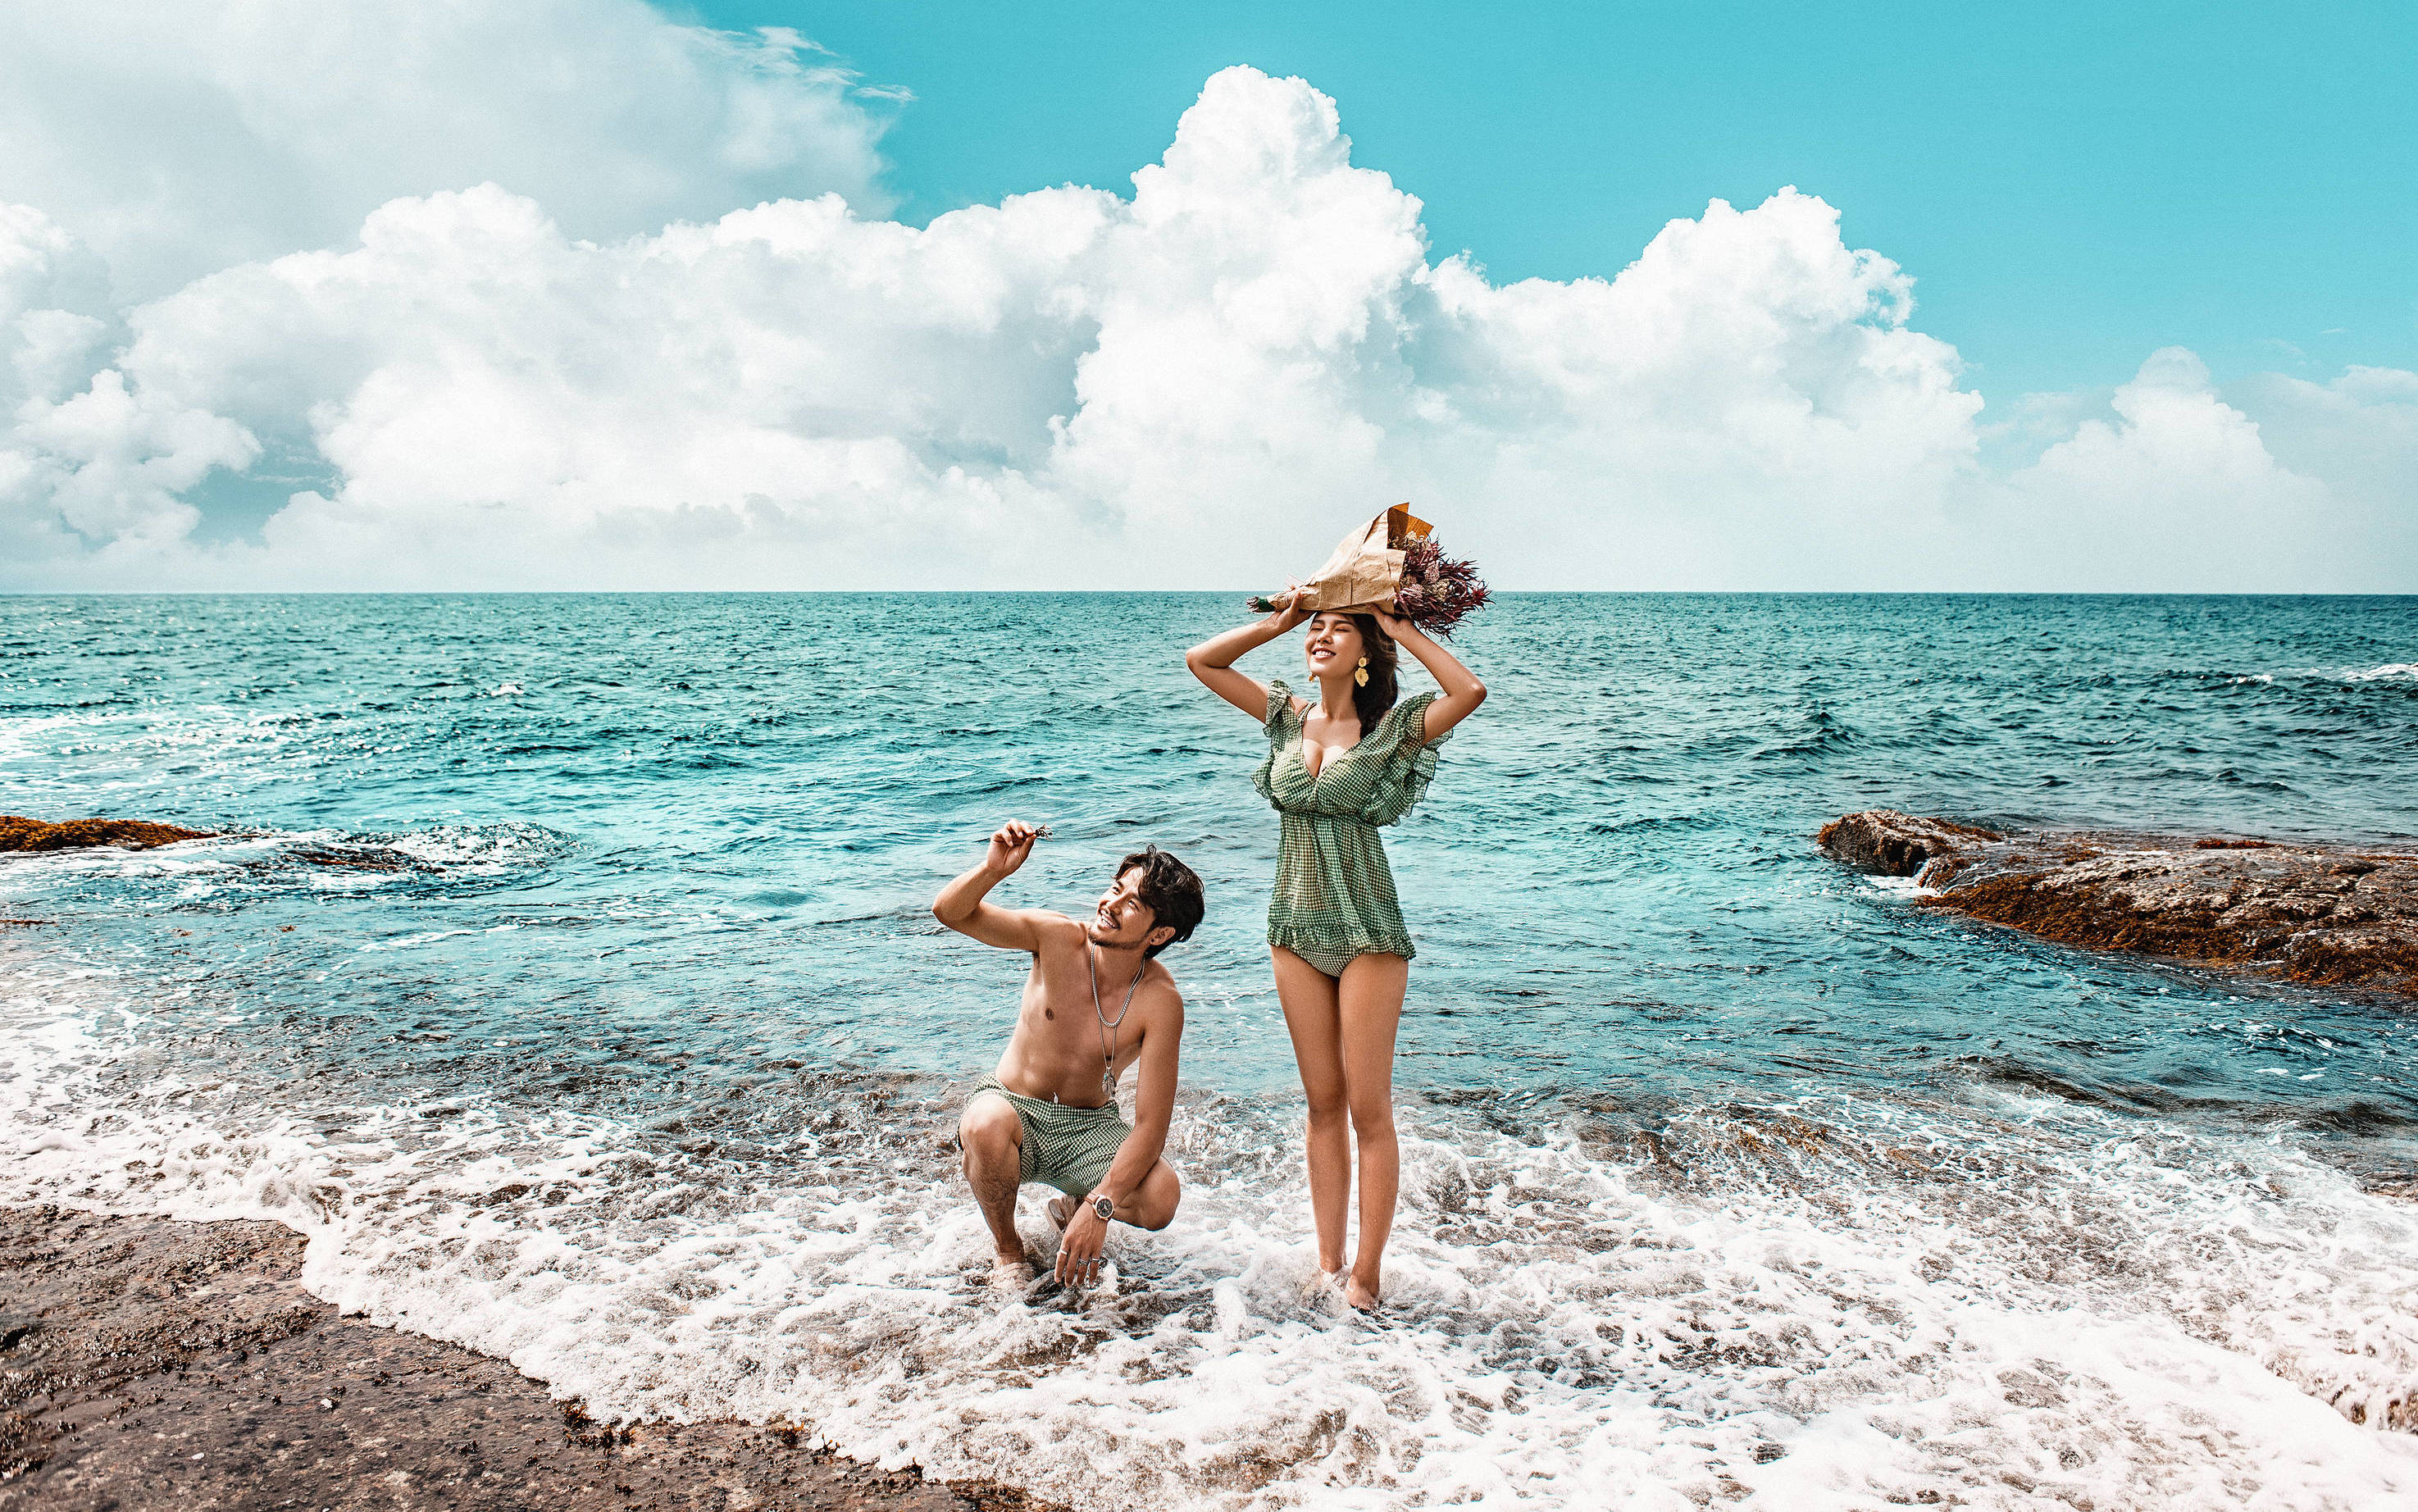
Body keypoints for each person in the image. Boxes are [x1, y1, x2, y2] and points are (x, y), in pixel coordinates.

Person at [1186, 594, 1486, 1310]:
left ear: (1363, 654)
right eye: (1317, 629)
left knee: (1367, 1109)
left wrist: (1401, 629)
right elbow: (1203, 661)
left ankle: (1368, 1275)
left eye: (1337, 629)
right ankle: (1326, 1261)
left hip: (1367, 929)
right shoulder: (1285, 715)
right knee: (1321, 1104)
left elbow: (1468, 691)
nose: (1321, 637)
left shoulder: (1393, 727)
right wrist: (1281, 621)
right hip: (1292, 923)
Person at [934, 822, 1204, 1291]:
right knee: (983, 1123)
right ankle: (1008, 1248)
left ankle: (1073, 1206)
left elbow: (1151, 1126)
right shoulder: (1057, 939)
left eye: (1131, 905)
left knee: (1161, 1196)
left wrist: (1100, 1208)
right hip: (1013, 1107)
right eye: (1115, 890)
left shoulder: (1160, 1001)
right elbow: (950, 912)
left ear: (1159, 933)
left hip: (1089, 1129)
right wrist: (992, 870)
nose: (1110, 905)